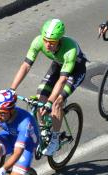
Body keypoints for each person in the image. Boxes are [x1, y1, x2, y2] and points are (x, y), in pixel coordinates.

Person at [9, 19, 87, 157]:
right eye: (45, 40)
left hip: (75, 70)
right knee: (39, 100)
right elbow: (26, 66)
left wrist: (51, 101)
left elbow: (62, 80)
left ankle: (55, 139)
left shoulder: (70, 49)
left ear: (60, 39)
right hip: (58, 65)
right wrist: (12, 89)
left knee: (57, 103)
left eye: (52, 42)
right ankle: (44, 130)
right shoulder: (38, 41)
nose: (47, 45)